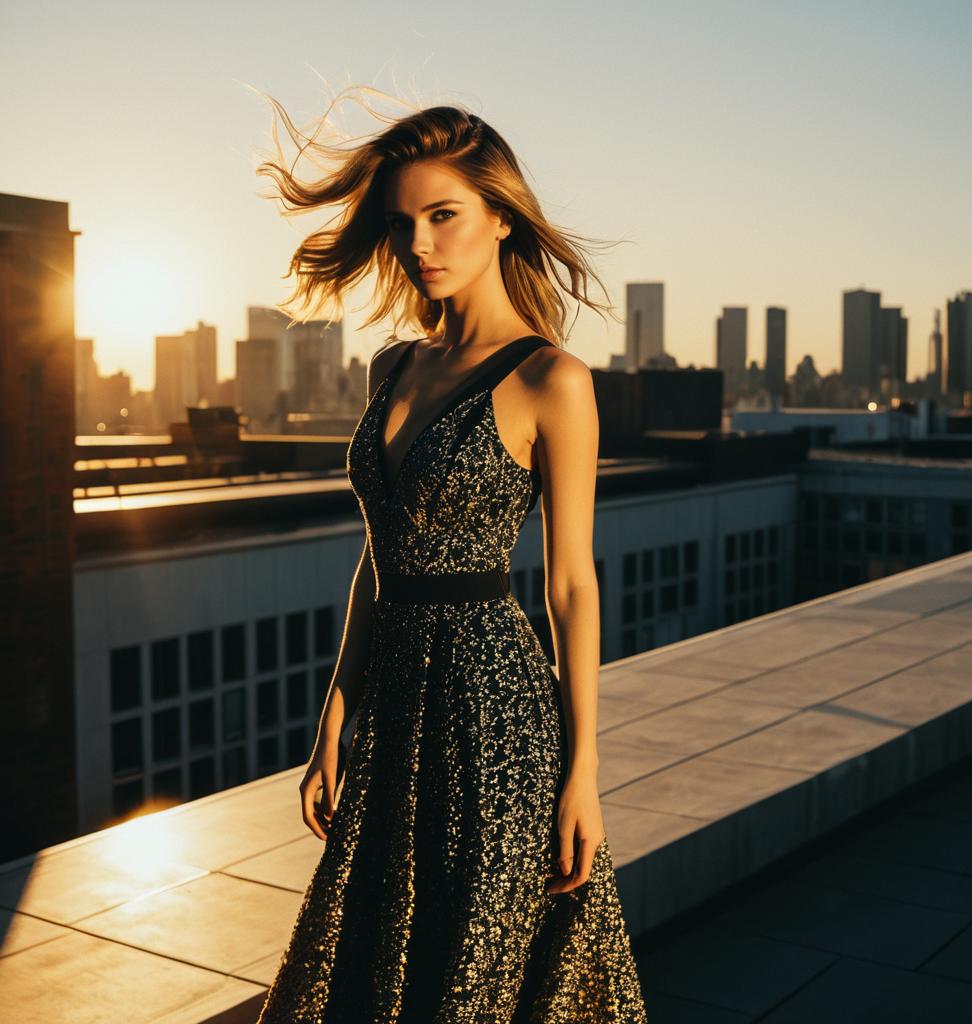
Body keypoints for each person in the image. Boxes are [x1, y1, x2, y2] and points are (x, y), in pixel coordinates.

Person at [253, 88, 648, 1023]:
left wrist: (583, 769)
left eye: (443, 216)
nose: (419, 244)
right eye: (403, 224)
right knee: (366, 967)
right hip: (393, 711)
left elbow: (571, 583)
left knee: (470, 976)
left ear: (500, 216)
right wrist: (331, 720)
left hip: (495, 718)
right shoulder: (392, 365)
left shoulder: (553, 379)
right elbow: (378, 559)